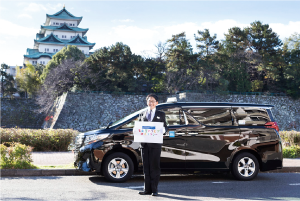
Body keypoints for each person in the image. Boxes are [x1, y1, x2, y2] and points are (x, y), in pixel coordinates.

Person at [138, 94, 168, 196]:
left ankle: (154, 190)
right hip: (144, 144)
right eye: (149, 101)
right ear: (147, 102)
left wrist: (162, 130)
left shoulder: (161, 114)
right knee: (146, 167)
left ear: (156, 103)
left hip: (155, 144)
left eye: (153, 101)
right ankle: (147, 189)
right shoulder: (142, 114)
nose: (151, 103)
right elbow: (139, 127)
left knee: (154, 167)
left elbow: (165, 127)